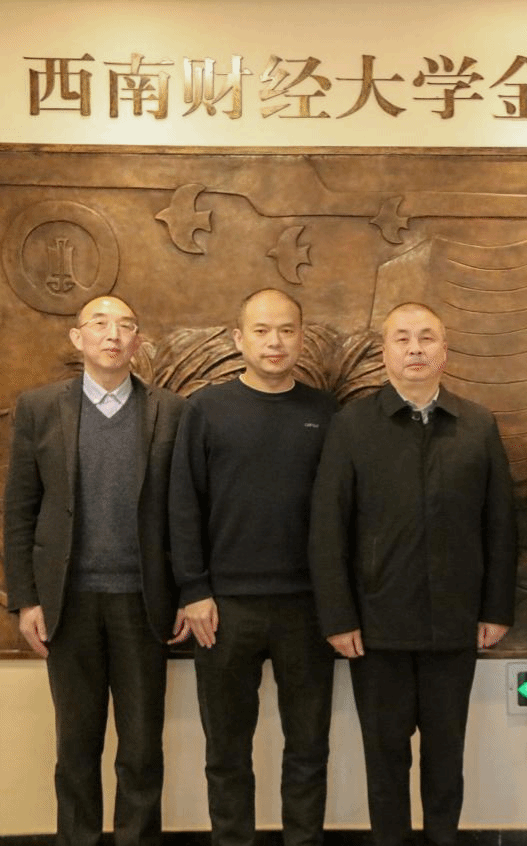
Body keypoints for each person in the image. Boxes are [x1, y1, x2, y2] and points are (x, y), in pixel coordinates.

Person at [309, 302, 518, 846]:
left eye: (427, 338)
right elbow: (328, 529)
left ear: (445, 350)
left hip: (455, 626)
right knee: (385, 761)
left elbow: (500, 524)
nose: (416, 348)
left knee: (446, 759)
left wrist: (496, 608)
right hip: (377, 630)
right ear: (385, 352)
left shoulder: (477, 424)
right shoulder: (352, 426)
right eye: (402, 338)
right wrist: (338, 617)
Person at [3, 295, 189, 846]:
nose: (113, 334)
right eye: (100, 324)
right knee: (76, 746)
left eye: (126, 325)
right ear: (77, 338)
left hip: (142, 600)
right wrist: (26, 599)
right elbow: (20, 508)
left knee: (141, 748)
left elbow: (186, 512)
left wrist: (187, 591)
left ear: (137, 341)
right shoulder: (39, 408)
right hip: (69, 603)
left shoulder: (170, 411)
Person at [169, 288, 339, 846]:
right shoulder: (205, 409)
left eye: (286, 330)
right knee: (226, 751)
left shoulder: (325, 413)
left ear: (301, 337)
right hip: (224, 609)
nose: (275, 342)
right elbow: (183, 505)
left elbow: (342, 513)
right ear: (238, 338)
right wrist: (194, 590)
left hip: (306, 609)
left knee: (309, 747)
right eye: (262, 330)